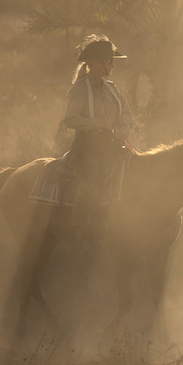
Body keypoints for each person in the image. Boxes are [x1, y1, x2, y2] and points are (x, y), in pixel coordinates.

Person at [60, 34, 134, 227]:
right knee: (90, 188)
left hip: (110, 147)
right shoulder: (80, 88)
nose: (113, 66)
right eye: (111, 61)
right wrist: (97, 123)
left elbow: (126, 113)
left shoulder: (111, 88)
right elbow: (70, 119)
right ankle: (81, 232)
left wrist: (123, 130)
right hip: (86, 150)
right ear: (98, 62)